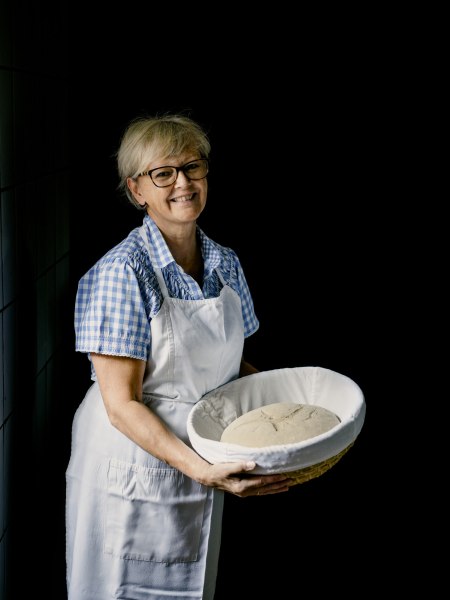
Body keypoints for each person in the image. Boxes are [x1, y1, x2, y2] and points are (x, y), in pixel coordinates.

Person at [65, 113, 292, 600]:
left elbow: (232, 371)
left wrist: (288, 410)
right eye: (162, 173)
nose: (183, 183)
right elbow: (121, 405)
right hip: (132, 462)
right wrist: (200, 468)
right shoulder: (121, 272)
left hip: (204, 455)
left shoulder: (225, 262)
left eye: (192, 166)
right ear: (136, 190)